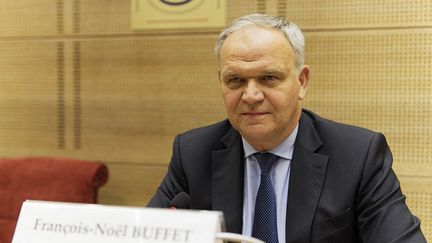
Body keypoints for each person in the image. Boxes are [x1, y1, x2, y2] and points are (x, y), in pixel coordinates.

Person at [148, 13, 426, 243]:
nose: (251, 95)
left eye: (269, 78)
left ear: (302, 82)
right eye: (235, 80)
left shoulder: (358, 155)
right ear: (220, 81)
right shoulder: (192, 152)